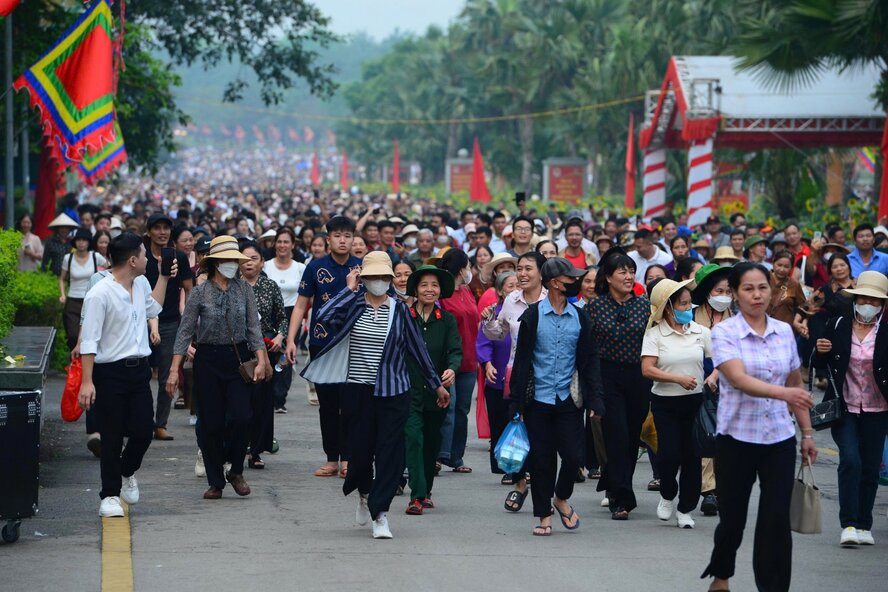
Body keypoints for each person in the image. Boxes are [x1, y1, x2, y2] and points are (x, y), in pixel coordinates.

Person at [300, 252, 450, 539]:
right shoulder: (353, 304)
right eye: (373, 277)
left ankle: (380, 514)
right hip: (357, 390)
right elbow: (324, 317)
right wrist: (349, 288)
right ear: (364, 278)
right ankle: (365, 495)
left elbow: (417, 349)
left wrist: (436, 384)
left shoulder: (401, 310)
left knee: (390, 454)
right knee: (360, 451)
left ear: (391, 279)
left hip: (394, 391)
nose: (379, 282)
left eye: (383, 277)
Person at [701, 262, 817, 592]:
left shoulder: (783, 332)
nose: (757, 295)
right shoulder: (724, 332)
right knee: (733, 520)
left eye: (762, 287)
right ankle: (721, 575)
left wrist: (807, 434)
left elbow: (797, 385)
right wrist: (786, 392)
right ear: (736, 294)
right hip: (736, 439)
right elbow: (737, 379)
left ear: (772, 291)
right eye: (748, 289)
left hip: (779, 438)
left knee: (776, 519)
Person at [168, 235, 272, 499]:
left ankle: (236, 469)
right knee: (210, 424)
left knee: (241, 417)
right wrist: (173, 369)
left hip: (237, 359)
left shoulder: (244, 289)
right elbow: (185, 332)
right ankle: (216, 480)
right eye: (225, 260)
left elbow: (253, 328)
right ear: (214, 262)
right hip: (208, 360)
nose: (231, 264)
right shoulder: (200, 292)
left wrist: (261, 359)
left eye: (233, 260)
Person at [509, 257, 604, 536]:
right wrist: (516, 404)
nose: (575, 282)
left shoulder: (581, 317)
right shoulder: (533, 316)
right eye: (570, 278)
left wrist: (596, 401)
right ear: (554, 283)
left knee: (574, 458)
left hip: (568, 400)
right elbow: (522, 361)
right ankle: (544, 516)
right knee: (542, 460)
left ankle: (561, 498)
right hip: (537, 400)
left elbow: (590, 362)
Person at [77, 233, 169, 517]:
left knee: (143, 431)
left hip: (139, 370)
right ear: (132, 260)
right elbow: (89, 342)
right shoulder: (99, 294)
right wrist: (87, 381)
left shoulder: (140, 283)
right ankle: (109, 496)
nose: (146, 259)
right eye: (143, 254)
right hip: (109, 373)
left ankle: (127, 470)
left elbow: (155, 307)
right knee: (112, 435)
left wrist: (164, 277)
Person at [813, 271, 888, 546]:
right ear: (855, 300)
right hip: (843, 407)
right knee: (850, 461)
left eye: (875, 300)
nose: (868, 303)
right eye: (864, 298)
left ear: (882, 306)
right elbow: (818, 364)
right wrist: (819, 351)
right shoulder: (837, 325)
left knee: (870, 467)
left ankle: (864, 524)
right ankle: (848, 525)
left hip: (877, 409)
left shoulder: (886, 332)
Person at [285, 216, 362, 478]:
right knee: (328, 405)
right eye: (337, 235)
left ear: (353, 239)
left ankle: (349, 459)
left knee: (351, 404)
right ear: (328, 238)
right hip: (322, 343)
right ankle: (331, 459)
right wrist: (291, 339)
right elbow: (300, 305)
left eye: (347, 236)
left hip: (355, 344)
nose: (343, 240)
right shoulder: (315, 267)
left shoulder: (362, 267)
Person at [586, 248, 652, 520]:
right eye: (622, 271)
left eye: (631, 270)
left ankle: (615, 483)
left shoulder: (644, 305)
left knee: (632, 439)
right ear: (609, 277)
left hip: (638, 377)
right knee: (617, 435)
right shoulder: (594, 306)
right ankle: (621, 497)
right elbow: (587, 350)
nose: (629, 276)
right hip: (607, 376)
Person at [641, 278, 711, 529]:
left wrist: (712, 377)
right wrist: (676, 379)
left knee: (693, 457)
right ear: (668, 308)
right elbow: (647, 369)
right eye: (682, 304)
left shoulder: (701, 332)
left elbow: (720, 362)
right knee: (669, 455)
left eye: (689, 303)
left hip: (695, 403)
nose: (688, 308)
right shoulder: (654, 334)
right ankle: (668, 494)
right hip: (665, 403)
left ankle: (685, 509)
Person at [482, 251, 548, 510]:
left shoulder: (551, 299)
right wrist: (489, 321)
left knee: (543, 434)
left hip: (546, 374)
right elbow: (499, 333)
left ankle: (543, 491)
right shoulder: (510, 299)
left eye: (528, 269)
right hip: (517, 374)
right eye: (519, 269)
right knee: (517, 429)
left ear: (542, 273)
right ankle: (520, 483)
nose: (522, 274)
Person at [403, 265, 462, 515]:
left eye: (434, 285)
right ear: (415, 289)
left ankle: (425, 491)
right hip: (408, 390)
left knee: (431, 443)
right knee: (414, 439)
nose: (429, 289)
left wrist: (452, 369)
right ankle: (416, 496)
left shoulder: (446, 319)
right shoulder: (404, 317)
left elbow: (455, 351)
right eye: (424, 285)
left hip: (439, 393)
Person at [144, 213, 194, 441]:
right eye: (157, 228)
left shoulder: (178, 257)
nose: (162, 232)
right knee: (139, 373)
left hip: (170, 322)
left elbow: (188, 289)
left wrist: (190, 321)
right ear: (149, 231)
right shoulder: (140, 255)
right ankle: (140, 420)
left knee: (167, 375)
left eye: (166, 228)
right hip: (139, 323)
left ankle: (160, 423)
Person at [240, 241, 289, 469]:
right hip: (239, 348)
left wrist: (280, 337)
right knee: (240, 402)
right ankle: (237, 447)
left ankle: (257, 450)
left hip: (267, 349)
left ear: (262, 262)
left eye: (254, 258)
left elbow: (282, 317)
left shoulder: (269, 286)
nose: (249, 262)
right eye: (245, 258)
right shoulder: (232, 286)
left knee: (262, 402)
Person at [691, 263, 733, 516]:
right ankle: (708, 491)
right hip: (697, 384)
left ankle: (721, 489)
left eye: (728, 290)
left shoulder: (738, 318)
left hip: (731, 385)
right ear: (707, 292)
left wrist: (718, 373)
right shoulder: (692, 315)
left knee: (726, 438)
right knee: (706, 435)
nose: (724, 295)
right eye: (719, 290)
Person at [436, 249, 481, 473]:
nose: (471, 270)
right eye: (468, 266)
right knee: (447, 407)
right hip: (448, 360)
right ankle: (438, 454)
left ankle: (456, 457)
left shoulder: (467, 291)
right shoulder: (441, 294)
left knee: (462, 409)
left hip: (470, 359)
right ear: (460, 269)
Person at [476, 271, 518, 480]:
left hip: (522, 378)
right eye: (511, 286)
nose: (516, 289)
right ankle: (505, 467)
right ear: (501, 291)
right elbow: (484, 342)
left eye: (518, 285)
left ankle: (518, 467)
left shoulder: (531, 310)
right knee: (500, 424)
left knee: (519, 423)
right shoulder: (493, 313)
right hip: (498, 378)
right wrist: (488, 364)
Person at [263, 227, 306, 413]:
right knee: (267, 353)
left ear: (293, 245)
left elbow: (305, 298)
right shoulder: (266, 266)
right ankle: (267, 394)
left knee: (285, 357)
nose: (282, 245)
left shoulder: (300, 268)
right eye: (279, 241)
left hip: (291, 315)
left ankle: (279, 398)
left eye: (286, 242)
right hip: (268, 315)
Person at [60, 228, 108, 351]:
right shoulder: (68, 258)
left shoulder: (95, 256)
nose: (81, 243)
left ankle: (89, 364)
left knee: (91, 335)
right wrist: (62, 294)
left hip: (91, 299)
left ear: (88, 242)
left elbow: (112, 268)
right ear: (75, 242)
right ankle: (74, 364)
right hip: (73, 300)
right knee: (72, 335)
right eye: (78, 240)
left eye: (84, 240)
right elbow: (61, 279)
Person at [767, 251, 806, 326]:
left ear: (791, 268)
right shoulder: (763, 278)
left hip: (784, 329)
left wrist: (796, 321)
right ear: (773, 263)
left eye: (786, 267)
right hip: (761, 327)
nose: (782, 269)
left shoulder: (794, 284)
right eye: (779, 265)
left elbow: (804, 306)